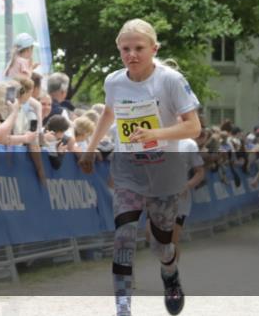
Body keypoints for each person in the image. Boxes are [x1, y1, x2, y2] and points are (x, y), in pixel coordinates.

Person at [79, 19, 201, 316]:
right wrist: (90, 149)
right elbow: (109, 113)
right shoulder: (114, 81)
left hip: (164, 175)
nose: (131, 55)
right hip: (128, 172)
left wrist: (155, 134)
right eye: (125, 49)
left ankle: (170, 274)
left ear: (154, 48)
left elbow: (194, 127)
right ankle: (123, 308)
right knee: (123, 236)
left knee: (161, 245)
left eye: (138, 48)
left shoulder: (170, 80)